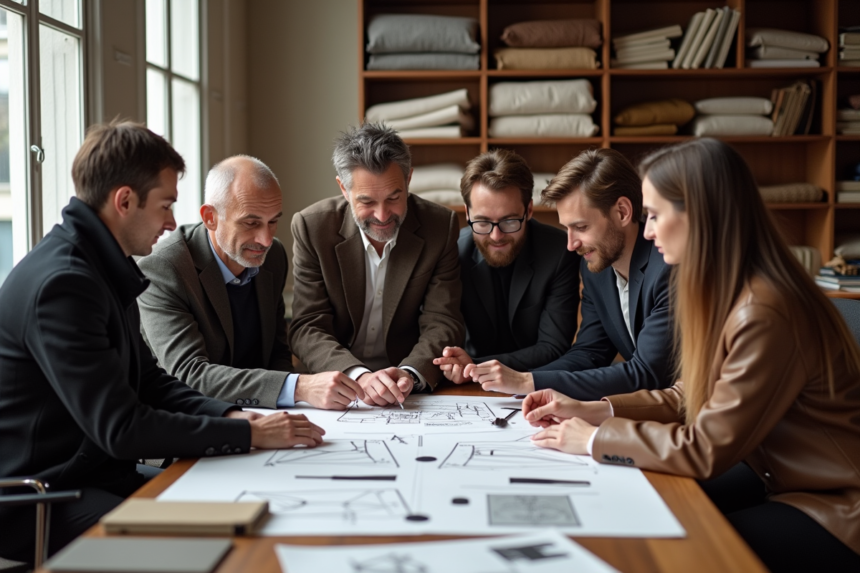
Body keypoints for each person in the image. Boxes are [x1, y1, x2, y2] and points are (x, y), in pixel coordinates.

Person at [524, 138, 860, 572]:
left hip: (836, 506)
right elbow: (690, 394)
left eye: (657, 216)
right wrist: (596, 411)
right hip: (777, 478)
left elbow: (704, 448)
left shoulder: (763, 309)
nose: (646, 231)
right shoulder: (732, 290)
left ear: (702, 216)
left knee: (680, 550)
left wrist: (592, 440)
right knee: (642, 512)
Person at [0, 122, 324, 564]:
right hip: (38, 495)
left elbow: (151, 381)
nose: (173, 221)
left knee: (235, 515)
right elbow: (122, 428)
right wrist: (246, 432)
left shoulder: (100, 265)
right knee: (190, 552)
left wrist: (233, 414)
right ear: (125, 201)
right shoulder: (65, 284)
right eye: (166, 205)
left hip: (92, 473)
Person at [138, 156, 364, 410]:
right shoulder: (164, 269)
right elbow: (190, 374)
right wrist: (299, 388)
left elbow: (278, 352)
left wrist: (291, 406)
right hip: (195, 419)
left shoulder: (273, 257)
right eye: (251, 223)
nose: (266, 240)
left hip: (262, 413)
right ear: (210, 217)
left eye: (273, 221)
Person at [460, 148, 674, 400]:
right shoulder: (596, 268)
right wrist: (525, 384)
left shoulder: (667, 268)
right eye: (567, 228)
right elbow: (590, 353)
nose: (571, 244)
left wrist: (526, 381)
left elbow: (648, 373)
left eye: (581, 227)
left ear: (623, 212)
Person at [289, 123, 464, 406]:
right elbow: (308, 325)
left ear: (408, 180)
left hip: (407, 388)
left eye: (394, 197)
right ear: (343, 189)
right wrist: (358, 376)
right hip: (334, 384)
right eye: (367, 201)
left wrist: (410, 373)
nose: (382, 215)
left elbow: (442, 320)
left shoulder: (439, 226)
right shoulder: (312, 227)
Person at [432, 149, 580, 382]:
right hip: (466, 387)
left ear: (529, 210)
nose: (496, 235)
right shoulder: (451, 254)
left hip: (535, 380)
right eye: (482, 222)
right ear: (468, 213)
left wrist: (474, 366)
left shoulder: (560, 252)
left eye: (509, 221)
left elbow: (553, 347)